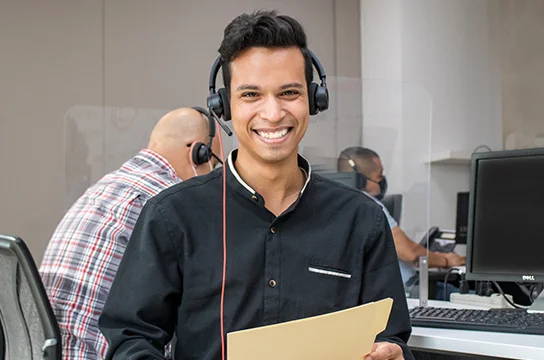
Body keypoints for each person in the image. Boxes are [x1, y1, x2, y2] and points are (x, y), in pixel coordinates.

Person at [99, 10, 414, 360]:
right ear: (225, 106)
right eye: (251, 95)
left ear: (313, 99)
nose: (273, 113)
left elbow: (391, 336)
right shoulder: (172, 216)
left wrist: (392, 353)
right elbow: (131, 339)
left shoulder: (362, 220)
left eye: (289, 92)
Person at [39, 107, 220, 360]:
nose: (212, 175)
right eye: (214, 162)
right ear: (197, 153)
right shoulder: (170, 206)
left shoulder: (104, 186)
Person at [337, 146, 465, 286]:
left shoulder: (338, 204)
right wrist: (446, 260)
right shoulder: (368, 205)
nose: (382, 181)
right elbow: (411, 254)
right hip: (406, 290)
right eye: (379, 176)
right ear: (361, 180)